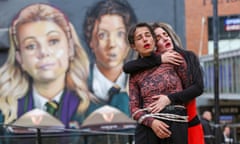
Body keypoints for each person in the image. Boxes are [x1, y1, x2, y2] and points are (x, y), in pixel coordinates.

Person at [0, 3, 92, 142]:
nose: (43, 52)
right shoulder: (5, 112)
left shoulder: (94, 110)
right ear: (20, 58)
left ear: (70, 47)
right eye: (31, 46)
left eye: (53, 41)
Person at [124, 22, 205, 144]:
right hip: (148, 126)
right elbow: (134, 108)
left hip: (177, 122)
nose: (145, 39)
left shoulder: (177, 58)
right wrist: (152, 122)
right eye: (139, 38)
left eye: (148, 35)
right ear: (133, 46)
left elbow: (194, 89)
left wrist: (169, 99)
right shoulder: (135, 71)